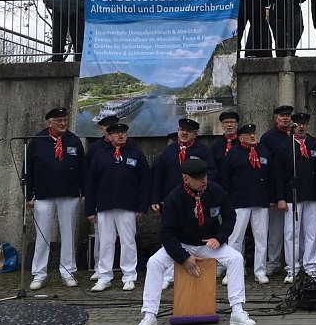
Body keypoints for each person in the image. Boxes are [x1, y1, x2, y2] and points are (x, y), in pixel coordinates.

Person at [131, 159, 255, 325]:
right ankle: (149, 316)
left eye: (204, 176)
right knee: (154, 262)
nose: (203, 180)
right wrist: (183, 258)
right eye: (198, 178)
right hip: (181, 245)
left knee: (235, 258)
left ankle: (237, 310)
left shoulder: (216, 190)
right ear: (186, 179)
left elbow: (230, 217)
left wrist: (218, 238)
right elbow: (166, 233)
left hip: (207, 244)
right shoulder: (174, 197)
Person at [150, 117, 216, 289]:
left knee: (190, 236)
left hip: (195, 201)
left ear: (195, 134)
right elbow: (158, 177)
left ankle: (194, 266)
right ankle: (168, 274)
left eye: (188, 131)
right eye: (181, 130)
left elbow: (211, 175)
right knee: (170, 237)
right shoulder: (169, 151)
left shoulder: (203, 150)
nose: (184, 133)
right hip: (171, 201)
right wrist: (155, 199)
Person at [26, 107, 86, 290]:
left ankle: (68, 271)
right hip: (43, 195)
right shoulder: (37, 141)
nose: (62, 124)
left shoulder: (74, 140)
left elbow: (83, 168)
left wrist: (83, 191)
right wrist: (29, 195)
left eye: (64, 120)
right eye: (59, 120)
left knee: (67, 233)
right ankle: (39, 273)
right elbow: (28, 169)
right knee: (42, 234)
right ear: (49, 122)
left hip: (68, 194)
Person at [85, 123, 150, 292]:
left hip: (128, 205)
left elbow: (145, 181)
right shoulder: (100, 155)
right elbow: (91, 183)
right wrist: (90, 209)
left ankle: (129, 276)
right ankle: (104, 276)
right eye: (116, 133)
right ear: (109, 136)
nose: (121, 136)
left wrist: (143, 206)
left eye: (123, 133)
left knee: (128, 241)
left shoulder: (136, 153)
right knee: (105, 241)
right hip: (105, 205)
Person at [221, 123, 276, 284]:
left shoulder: (263, 151)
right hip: (239, 201)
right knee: (236, 238)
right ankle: (233, 271)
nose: (253, 136)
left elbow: (272, 176)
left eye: (254, 133)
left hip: (260, 201)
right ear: (240, 138)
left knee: (261, 237)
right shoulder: (233, 154)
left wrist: (272, 197)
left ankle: (260, 270)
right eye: (249, 134)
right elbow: (225, 179)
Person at [275, 111, 316, 283]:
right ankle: (292, 267)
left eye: (304, 124)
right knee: (291, 232)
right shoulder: (285, 146)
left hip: (311, 194)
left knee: (310, 232)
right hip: (291, 195)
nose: (302, 127)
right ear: (293, 126)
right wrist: (280, 197)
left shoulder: (315, 144)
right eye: (298, 124)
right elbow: (278, 174)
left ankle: (310, 266)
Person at [259, 105, 294, 277]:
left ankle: (296, 263)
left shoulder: (296, 135)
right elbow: (266, 167)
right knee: (275, 229)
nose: (285, 118)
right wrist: (272, 194)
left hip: (294, 190)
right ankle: (272, 262)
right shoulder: (268, 138)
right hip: (276, 190)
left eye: (288, 116)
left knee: (294, 230)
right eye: (282, 116)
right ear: (276, 118)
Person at [211, 110, 240, 177]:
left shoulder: (242, 143)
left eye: (232, 122)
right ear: (222, 125)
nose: (229, 125)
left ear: (237, 125)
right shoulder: (216, 145)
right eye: (226, 122)